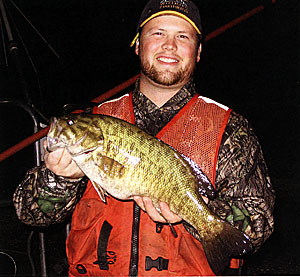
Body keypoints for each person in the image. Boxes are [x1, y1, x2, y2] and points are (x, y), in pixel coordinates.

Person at [13, 0, 275, 276]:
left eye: (183, 36)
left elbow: (259, 224)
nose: (170, 45)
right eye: (158, 33)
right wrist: (58, 179)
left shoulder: (231, 129)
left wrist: (197, 215)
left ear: (198, 52)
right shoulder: (94, 119)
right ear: (138, 45)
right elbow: (31, 215)